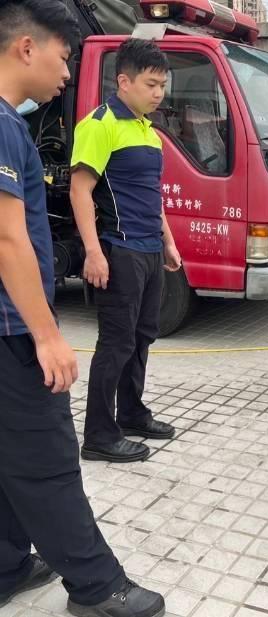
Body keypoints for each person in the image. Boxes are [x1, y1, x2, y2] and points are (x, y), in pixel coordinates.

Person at [0, 2, 165, 615]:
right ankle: (97, 587)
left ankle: (8, 564)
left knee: (9, 453)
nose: (68, 73)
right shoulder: (4, 126)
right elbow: (7, 237)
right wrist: (46, 334)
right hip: (14, 326)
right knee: (46, 459)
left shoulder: (10, 125)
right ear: (25, 48)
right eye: (64, 57)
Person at [70, 38, 181, 463]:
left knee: (141, 338)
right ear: (124, 81)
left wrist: (168, 242)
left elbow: (152, 196)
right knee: (115, 343)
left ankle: (132, 414)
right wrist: (94, 253)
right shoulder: (100, 124)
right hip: (119, 251)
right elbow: (81, 191)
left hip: (151, 251)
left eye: (162, 85)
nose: (159, 93)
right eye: (151, 84)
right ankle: (99, 434)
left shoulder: (148, 131)